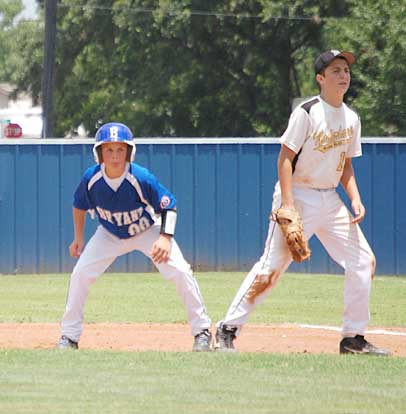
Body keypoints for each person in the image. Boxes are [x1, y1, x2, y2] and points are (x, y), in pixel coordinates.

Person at [214, 50, 391, 356]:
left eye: (346, 70)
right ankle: (227, 328)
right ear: (320, 78)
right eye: (335, 70)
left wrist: (355, 198)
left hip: (330, 199)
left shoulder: (351, 118)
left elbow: (345, 165)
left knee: (364, 261)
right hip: (298, 193)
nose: (343, 75)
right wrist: (288, 203)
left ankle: (353, 338)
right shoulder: (308, 112)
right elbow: (285, 157)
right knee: (271, 267)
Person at [57, 122, 212, 352]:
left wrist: (165, 238)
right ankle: (69, 337)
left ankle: (202, 331)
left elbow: (170, 205)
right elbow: (79, 205)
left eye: (120, 149)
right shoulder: (91, 178)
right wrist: (78, 237)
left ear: (129, 152)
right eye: (109, 149)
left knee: (180, 271)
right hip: (108, 234)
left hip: (146, 231)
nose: (115, 156)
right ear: (99, 153)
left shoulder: (141, 177)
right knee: (80, 274)